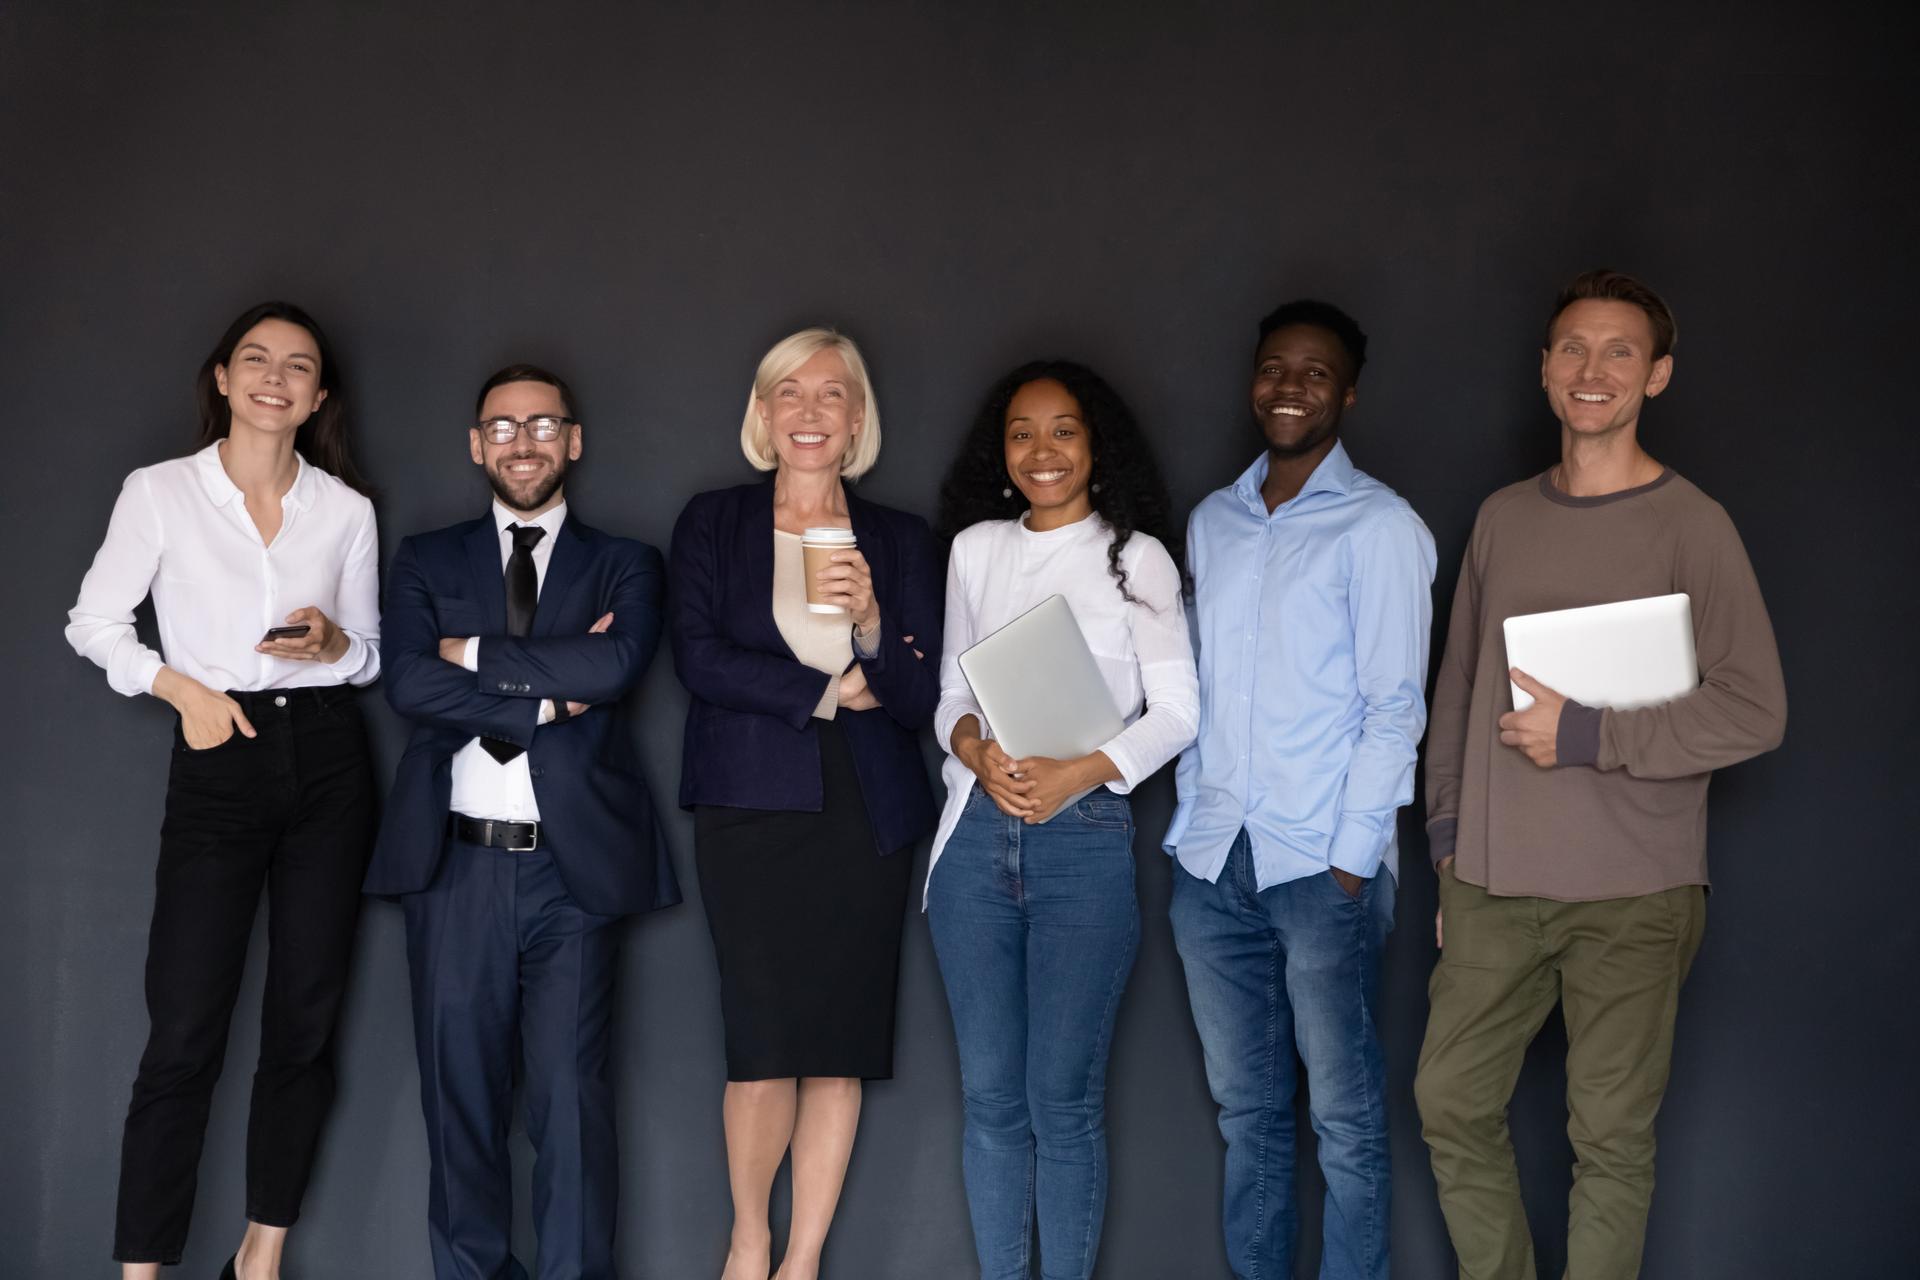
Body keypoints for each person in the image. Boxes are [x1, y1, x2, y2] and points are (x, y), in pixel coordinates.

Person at [1413, 270, 1788, 1278]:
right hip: (1493, 883)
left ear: (1657, 374)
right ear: (1544, 370)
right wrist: (1450, 847)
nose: (1592, 369)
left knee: (1609, 1138)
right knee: (1450, 1099)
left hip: (1636, 890)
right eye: (1573, 348)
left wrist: (1586, 732)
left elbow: (1755, 706)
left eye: (1619, 350)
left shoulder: (1692, 524)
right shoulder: (1500, 517)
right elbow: (1456, 694)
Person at [66, 301, 380, 1280]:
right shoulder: (161, 491)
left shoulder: (346, 508)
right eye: (256, 358)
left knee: (305, 1016)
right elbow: (92, 620)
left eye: (298, 365)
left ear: (318, 395)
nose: (275, 375)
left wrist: (334, 643)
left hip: (329, 755)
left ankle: (262, 1250)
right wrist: (179, 687)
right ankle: (142, 1268)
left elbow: (366, 657)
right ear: (222, 377)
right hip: (219, 751)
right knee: (186, 1027)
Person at [367, 363, 676, 1280]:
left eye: (543, 425)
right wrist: (544, 697)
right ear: (476, 445)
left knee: (571, 1110)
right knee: (456, 1103)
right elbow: (409, 682)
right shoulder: (426, 557)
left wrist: (472, 655)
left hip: (569, 874)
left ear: (573, 441)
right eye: (502, 426)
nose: (523, 441)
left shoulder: (625, 562)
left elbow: (614, 667)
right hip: (454, 868)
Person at [1164, 300, 1436, 1280]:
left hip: (1323, 868)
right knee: (1248, 1115)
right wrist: (1196, 810)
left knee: (1345, 1118)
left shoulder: (1382, 525)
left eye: (1315, 373)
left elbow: (1393, 706)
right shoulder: (1213, 521)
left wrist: (1351, 863)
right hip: (1213, 866)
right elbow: (1196, 686)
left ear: (1348, 392)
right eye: (1275, 368)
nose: (1290, 387)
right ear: (1253, 380)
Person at [669, 328, 941, 1280]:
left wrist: (872, 626)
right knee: (762, 1040)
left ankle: (804, 1260)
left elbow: (917, 698)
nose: (811, 411)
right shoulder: (714, 522)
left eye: (833, 394)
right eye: (791, 392)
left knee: (839, 1043)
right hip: (750, 804)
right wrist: (829, 692)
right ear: (764, 414)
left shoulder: (901, 539)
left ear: (858, 419)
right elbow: (697, 657)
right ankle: (749, 1240)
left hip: (866, 812)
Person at [929, 360, 1198, 1280]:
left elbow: (1178, 714)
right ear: (1001, 453)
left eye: (1064, 430)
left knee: (1062, 1102)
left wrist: (1080, 771)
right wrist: (975, 753)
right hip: (972, 843)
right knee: (992, 1100)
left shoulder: (1139, 557)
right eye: (1022, 433)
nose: (1042, 450)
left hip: (1082, 842)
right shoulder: (976, 550)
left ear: (1096, 446)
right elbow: (951, 695)